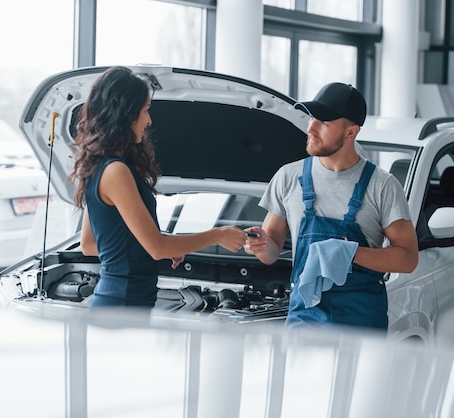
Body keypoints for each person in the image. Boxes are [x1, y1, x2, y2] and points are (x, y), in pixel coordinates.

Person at [244, 82, 418, 330]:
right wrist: (261, 244)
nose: (311, 128)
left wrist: (350, 253)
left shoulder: (383, 185)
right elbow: (270, 253)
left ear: (351, 132)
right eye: (312, 118)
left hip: (362, 325)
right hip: (305, 321)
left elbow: (408, 259)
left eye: (324, 123)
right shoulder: (288, 177)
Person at [70, 66, 246, 309]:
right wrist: (219, 235)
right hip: (123, 306)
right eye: (145, 110)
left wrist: (157, 247)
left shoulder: (98, 166)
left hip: (116, 302)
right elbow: (157, 248)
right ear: (126, 114)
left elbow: (90, 244)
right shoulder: (116, 172)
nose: (149, 120)